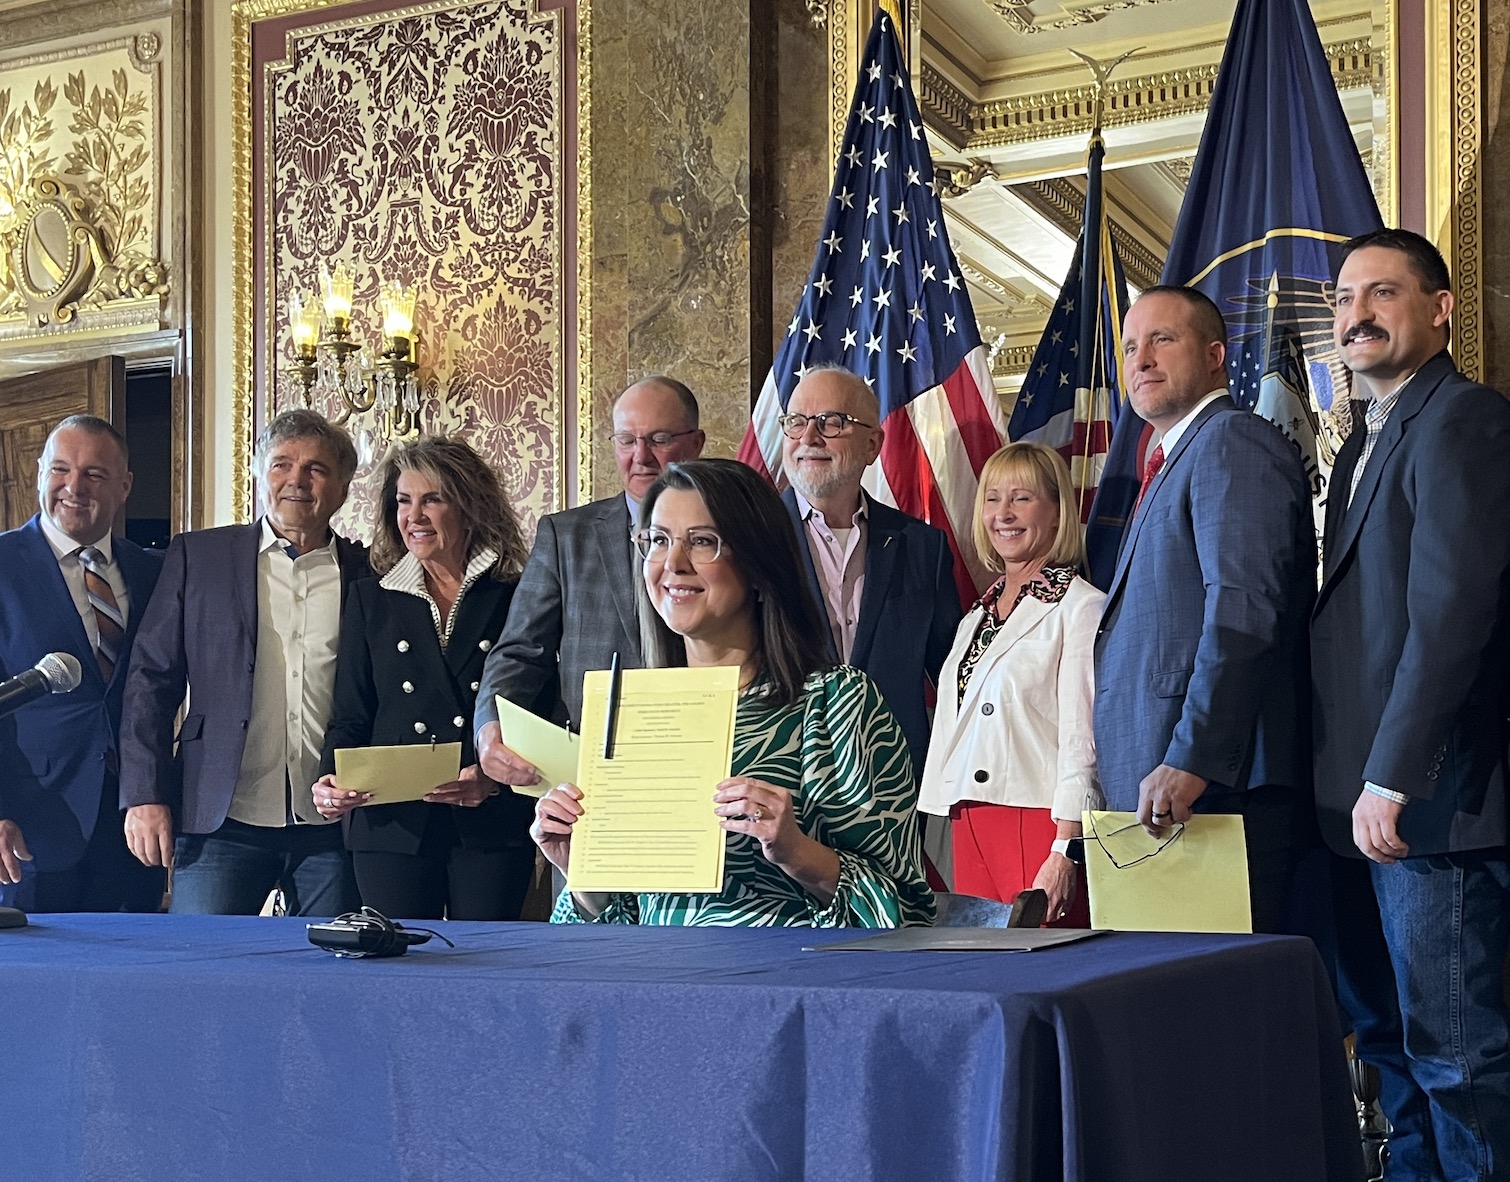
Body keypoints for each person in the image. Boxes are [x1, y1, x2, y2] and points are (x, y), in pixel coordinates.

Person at [531, 458, 934, 927]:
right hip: (655, 986)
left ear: (759, 567)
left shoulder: (836, 703)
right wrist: (581, 870)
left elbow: (906, 912)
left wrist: (796, 851)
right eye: (658, 540)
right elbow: (620, 926)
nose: (673, 564)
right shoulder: (631, 713)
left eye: (702, 542)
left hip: (787, 986)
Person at [1312, 228, 1510, 1179]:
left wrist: (1392, 774)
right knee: (1392, 1048)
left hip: (1430, 811)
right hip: (1358, 810)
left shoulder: (1464, 418)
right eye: (1344, 299)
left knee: (1457, 1058)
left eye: (1381, 294)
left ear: (1439, 309)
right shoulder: (1361, 445)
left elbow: (1449, 613)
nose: (1357, 314)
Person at [1093, 285, 1315, 934]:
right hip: (1163, 789)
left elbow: (1243, 613)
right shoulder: (1169, 464)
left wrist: (1193, 756)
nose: (1141, 359)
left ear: (1216, 354)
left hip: (1214, 786)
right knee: (1168, 1016)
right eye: (1131, 346)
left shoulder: (1231, 442)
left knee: (1217, 1020)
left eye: (1163, 339)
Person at [119, 410, 368, 916]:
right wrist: (144, 793)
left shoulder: (369, 574)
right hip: (220, 817)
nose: (296, 480)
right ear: (258, 473)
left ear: (342, 488)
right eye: (281, 465)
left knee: (332, 981)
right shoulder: (198, 557)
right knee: (203, 977)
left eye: (316, 469)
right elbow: (150, 680)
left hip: (335, 827)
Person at [311, 437, 536, 920]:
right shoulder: (371, 598)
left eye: (432, 499)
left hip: (488, 820)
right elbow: (351, 713)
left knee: (485, 967)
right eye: (403, 501)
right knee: (399, 973)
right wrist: (330, 777)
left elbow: (538, 708)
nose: (414, 515)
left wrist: (492, 781)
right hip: (390, 822)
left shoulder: (516, 593)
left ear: (470, 506)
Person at [474, 377, 705, 794]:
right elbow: (520, 652)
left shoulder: (727, 537)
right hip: (589, 779)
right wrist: (490, 724)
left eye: (660, 439)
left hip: (697, 770)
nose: (641, 457)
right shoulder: (567, 537)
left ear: (696, 443)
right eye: (626, 440)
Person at [917, 442, 1102, 925]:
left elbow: (1083, 739)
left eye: (1021, 498)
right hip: (966, 821)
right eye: (992, 499)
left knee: (1041, 969)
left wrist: (1066, 848)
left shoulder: (1080, 608)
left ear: (1059, 511)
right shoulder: (977, 615)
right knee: (984, 972)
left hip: (1037, 821)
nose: (1004, 514)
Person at [0, 416, 165, 913]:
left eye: (94, 474)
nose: (74, 486)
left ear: (125, 486)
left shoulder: (154, 571)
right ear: (38, 473)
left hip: (133, 830)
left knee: (132, 984)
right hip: (27, 830)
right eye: (60, 469)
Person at [778, 364, 960, 777]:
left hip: (892, 784)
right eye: (796, 422)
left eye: (831, 423)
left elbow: (951, 678)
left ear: (872, 445)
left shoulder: (922, 548)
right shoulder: (750, 539)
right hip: (784, 780)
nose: (809, 437)